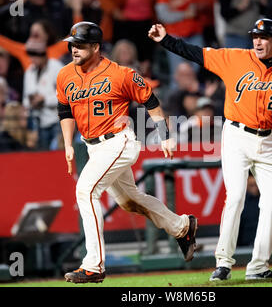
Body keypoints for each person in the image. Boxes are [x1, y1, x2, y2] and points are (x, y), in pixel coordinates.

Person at [149, 18, 272, 281]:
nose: (257, 41)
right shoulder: (236, 58)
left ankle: (258, 267)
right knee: (235, 197)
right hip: (236, 136)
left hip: (267, 143)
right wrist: (165, 40)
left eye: (264, 38)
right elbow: (195, 53)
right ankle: (223, 263)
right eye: (255, 36)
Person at [56, 21, 197, 284]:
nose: (74, 49)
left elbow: (151, 102)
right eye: (72, 44)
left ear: (96, 47)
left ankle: (94, 265)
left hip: (119, 141)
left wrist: (165, 136)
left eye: (80, 45)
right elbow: (64, 110)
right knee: (129, 201)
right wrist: (67, 143)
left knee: (86, 191)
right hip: (92, 145)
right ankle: (182, 227)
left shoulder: (121, 74)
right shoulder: (65, 74)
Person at [23, 40, 63, 150]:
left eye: (36, 55)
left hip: (57, 121)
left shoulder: (57, 67)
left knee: (58, 155)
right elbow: (25, 99)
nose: (33, 59)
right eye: (32, 55)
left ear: (44, 54)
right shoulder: (29, 72)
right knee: (43, 157)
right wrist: (32, 102)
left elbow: (65, 95)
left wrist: (44, 99)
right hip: (38, 123)